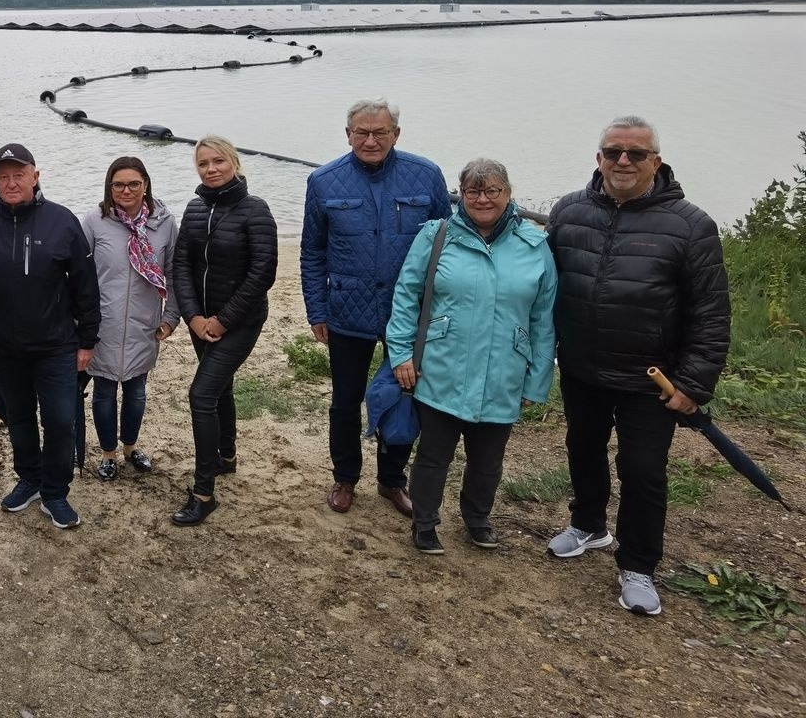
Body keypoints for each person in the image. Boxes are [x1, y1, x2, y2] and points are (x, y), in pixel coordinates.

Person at [545, 116, 730, 616]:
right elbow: (543, 285)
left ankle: (638, 564)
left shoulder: (691, 226)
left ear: (657, 162)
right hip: (582, 368)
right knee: (582, 449)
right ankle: (588, 525)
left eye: (636, 154)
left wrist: (694, 382)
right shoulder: (568, 212)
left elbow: (710, 314)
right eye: (613, 152)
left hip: (650, 380)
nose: (623, 161)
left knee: (643, 471)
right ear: (598, 158)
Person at [385, 159, 557, 555]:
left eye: (492, 190)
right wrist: (400, 354)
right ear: (461, 195)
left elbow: (543, 319)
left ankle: (477, 519)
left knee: (487, 460)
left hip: (504, 371)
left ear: (508, 194)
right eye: (473, 191)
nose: (483, 199)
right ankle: (424, 522)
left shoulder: (535, 246)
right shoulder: (437, 235)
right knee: (433, 454)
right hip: (442, 365)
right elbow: (406, 297)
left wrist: (537, 380)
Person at [300, 98, 450, 518]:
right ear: (347, 134)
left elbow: (446, 244)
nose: (370, 140)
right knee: (345, 399)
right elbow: (312, 252)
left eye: (379, 132)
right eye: (361, 132)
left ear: (395, 134)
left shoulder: (426, 175)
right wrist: (317, 310)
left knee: (403, 394)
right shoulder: (324, 181)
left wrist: (438, 311)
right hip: (347, 310)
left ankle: (392, 480)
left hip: (410, 313)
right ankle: (345, 476)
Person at [0, 143, 100, 529]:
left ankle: (55, 492)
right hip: (3, 347)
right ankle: (30, 478)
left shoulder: (62, 221)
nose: (11, 182)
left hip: (56, 345)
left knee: (58, 419)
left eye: (19, 174)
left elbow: (86, 287)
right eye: (3, 176)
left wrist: (87, 341)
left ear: (36, 176)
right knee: (18, 418)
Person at [170, 135, 279, 526]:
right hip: (200, 321)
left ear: (234, 162)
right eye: (203, 164)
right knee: (221, 388)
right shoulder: (195, 209)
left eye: (218, 161)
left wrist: (223, 320)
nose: (211, 169)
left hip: (241, 320)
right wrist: (194, 317)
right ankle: (225, 457)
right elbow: (180, 266)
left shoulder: (255, 210)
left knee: (201, 394)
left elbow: (262, 272)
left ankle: (203, 492)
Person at [80, 156, 179, 482]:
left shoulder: (163, 223)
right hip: (103, 324)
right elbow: (79, 275)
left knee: (137, 391)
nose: (126, 190)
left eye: (134, 183)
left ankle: (130, 447)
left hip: (144, 323)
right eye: (119, 184)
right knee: (104, 391)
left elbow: (174, 274)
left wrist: (170, 318)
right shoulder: (95, 221)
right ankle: (108, 454)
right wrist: (81, 322)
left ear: (146, 184)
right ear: (109, 186)